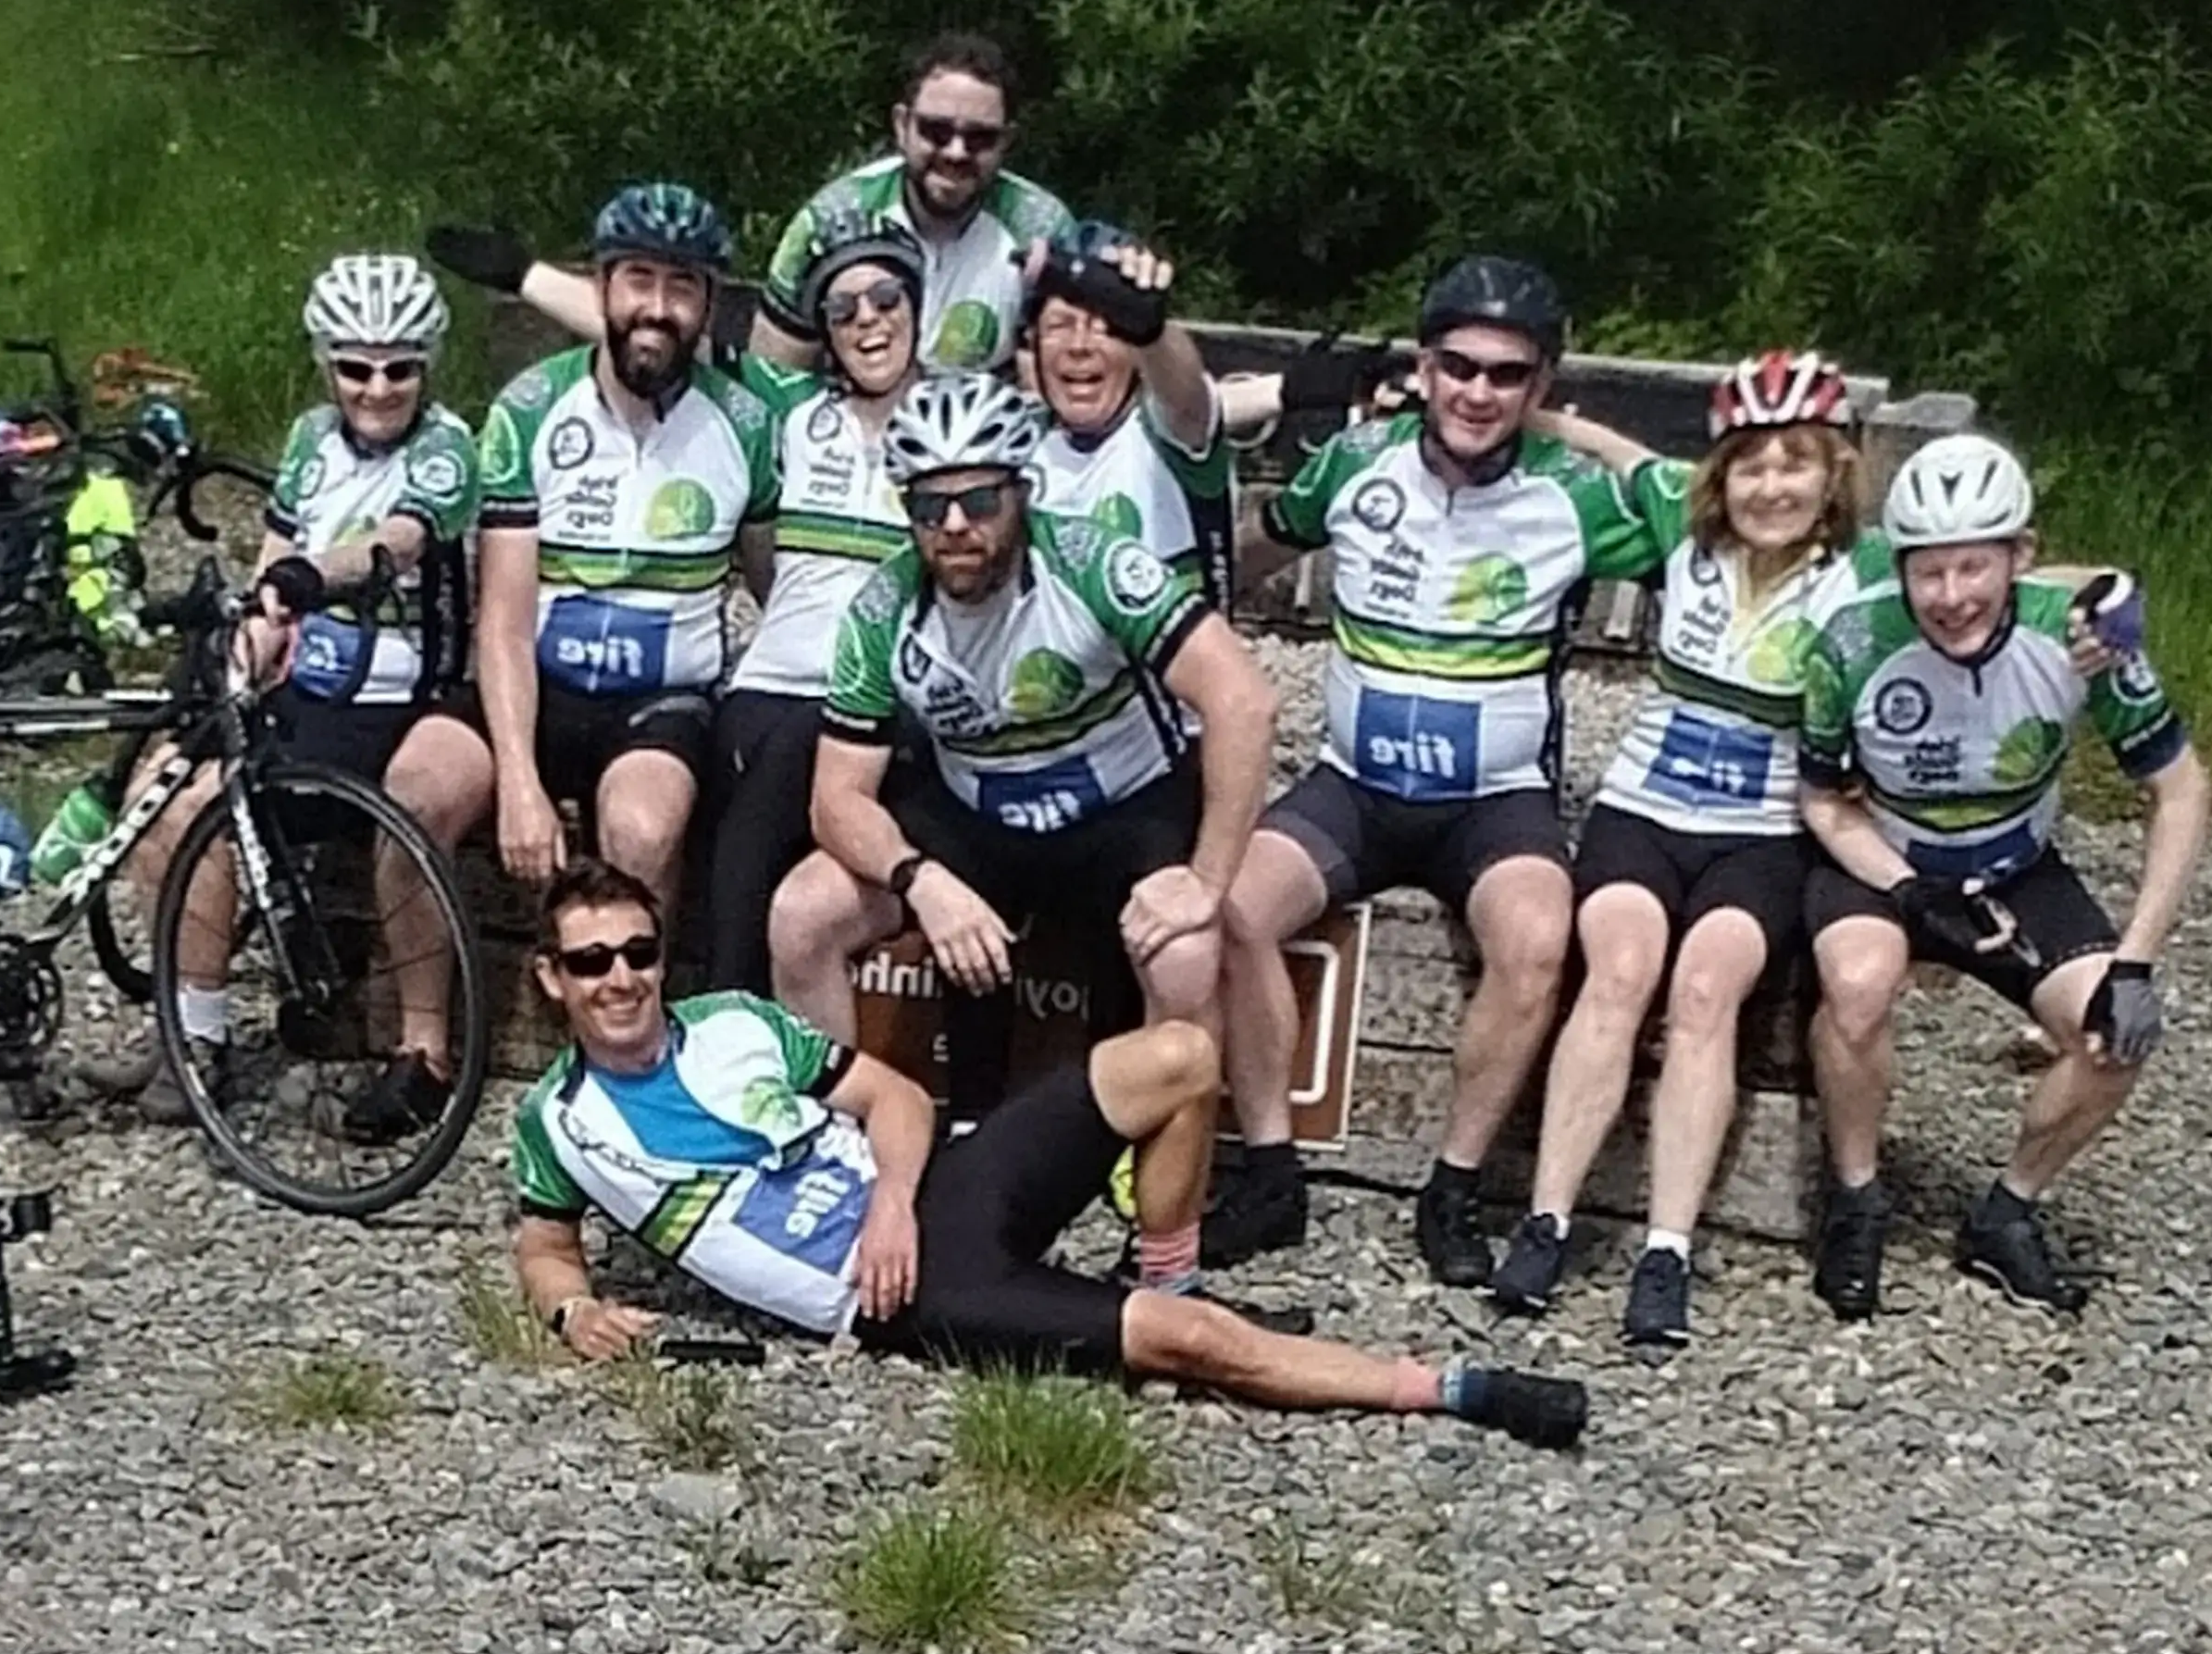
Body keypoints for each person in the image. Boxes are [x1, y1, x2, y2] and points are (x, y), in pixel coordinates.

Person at [503, 854, 1585, 1436]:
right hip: (901, 1300)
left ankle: (1168, 1259)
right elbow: (545, 1239)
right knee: (1193, 1345)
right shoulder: (560, 1121)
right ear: (553, 977)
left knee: (1176, 1057)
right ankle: (1450, 1389)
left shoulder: (737, 1020)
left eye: (638, 950)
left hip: (927, 1199)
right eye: (591, 961)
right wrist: (571, 1307)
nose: (621, 978)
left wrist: (889, 1201)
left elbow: (896, 1099)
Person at [1221, 256, 1662, 1294]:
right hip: (1352, 789)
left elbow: (1716, 538)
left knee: (1539, 943)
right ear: (1423, 366)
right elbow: (1249, 558)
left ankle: (1454, 1184)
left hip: (1492, 804)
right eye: (1457, 366)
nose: (1477, 392)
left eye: (1509, 376)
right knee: (1233, 911)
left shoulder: (1574, 495)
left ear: (1541, 385)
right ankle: (1272, 1171)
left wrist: (1584, 436)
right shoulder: (1356, 461)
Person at [1488, 352, 1869, 1359]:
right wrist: (1533, 414)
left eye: (1796, 463)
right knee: (1615, 973)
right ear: (1720, 476)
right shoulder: (1685, 534)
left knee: (1707, 994)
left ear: (1834, 472)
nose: (1772, 485)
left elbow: (1999, 574)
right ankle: (1548, 1220)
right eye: (1749, 464)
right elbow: (1619, 452)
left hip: (1762, 835)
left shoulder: (1863, 574)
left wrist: (2096, 605)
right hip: (1644, 808)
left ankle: (1666, 1249)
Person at [768, 377, 1273, 1130]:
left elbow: (1243, 700)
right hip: (980, 811)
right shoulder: (882, 609)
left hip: (1124, 804)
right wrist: (923, 882)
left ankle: (1162, 1192)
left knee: (1186, 955)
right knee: (801, 915)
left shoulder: (1093, 562)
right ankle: (834, 1145)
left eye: (979, 501)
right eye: (928, 506)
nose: (955, 526)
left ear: (1022, 492)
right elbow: (835, 799)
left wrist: (1206, 882)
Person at [1796, 435, 2211, 1319]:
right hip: (1886, 859)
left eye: (1973, 569)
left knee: (2114, 1036)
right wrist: (1909, 895)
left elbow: (2180, 789)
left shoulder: (2084, 637)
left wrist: (2136, 960)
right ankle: (1857, 1194)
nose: (1951, 597)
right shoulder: (1854, 642)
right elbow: (1823, 801)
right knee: (1858, 987)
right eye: (1929, 574)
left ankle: (2009, 1208)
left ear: (2018, 558)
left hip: (2015, 865)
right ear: (1899, 568)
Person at [155, 253, 489, 1141]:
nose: (378, 388)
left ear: (427, 367)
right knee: (175, 796)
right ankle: (199, 1037)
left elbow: (397, 544)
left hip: (427, 694)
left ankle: (425, 1053)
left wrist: (315, 577)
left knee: (409, 813)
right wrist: (251, 643)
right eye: (356, 368)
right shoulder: (310, 440)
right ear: (326, 365)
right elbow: (276, 560)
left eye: (400, 369)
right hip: (318, 690)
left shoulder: (450, 447)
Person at [473, 184, 786, 924]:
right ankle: (415, 1030)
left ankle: (633, 1019)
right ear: (602, 285)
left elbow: (779, 591)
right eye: (639, 279)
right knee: (429, 783)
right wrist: (518, 779)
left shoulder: (746, 422)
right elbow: (504, 621)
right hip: (542, 687)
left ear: (709, 305)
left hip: (662, 703)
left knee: (641, 830)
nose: (658, 306)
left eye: (683, 286)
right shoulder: (529, 408)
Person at [698, 219, 925, 993]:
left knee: (786, 764)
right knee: (744, 756)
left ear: (917, 305)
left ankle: (724, 1006)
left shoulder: (966, 415)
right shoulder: (793, 411)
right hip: (768, 683)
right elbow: (658, 322)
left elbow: (1139, 405)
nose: (868, 319)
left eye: (886, 296)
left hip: (881, 703)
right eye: (844, 309)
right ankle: (729, 1012)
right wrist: (524, 273)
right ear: (823, 333)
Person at [757, 26, 1075, 373]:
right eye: (936, 131)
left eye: (980, 137)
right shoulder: (829, 219)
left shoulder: (1043, 228)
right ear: (901, 125)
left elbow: (1059, 385)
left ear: (1006, 141)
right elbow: (775, 374)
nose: (956, 152)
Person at [1018, 225, 1234, 596]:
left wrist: (1150, 328)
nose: (1080, 346)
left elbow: (1187, 396)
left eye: (1106, 329)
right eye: (1060, 326)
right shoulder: (1013, 446)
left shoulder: (1165, 431)